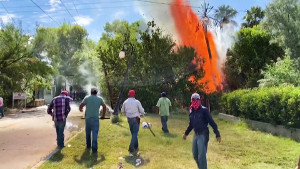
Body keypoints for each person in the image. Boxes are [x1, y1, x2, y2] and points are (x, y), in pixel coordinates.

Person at [183, 93, 221, 169]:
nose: (195, 101)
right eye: (193, 99)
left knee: (201, 156)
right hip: (196, 134)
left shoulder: (204, 110)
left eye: (196, 99)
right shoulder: (191, 110)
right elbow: (191, 124)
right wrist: (186, 133)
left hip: (203, 134)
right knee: (195, 155)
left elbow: (212, 122)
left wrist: (217, 134)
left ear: (199, 100)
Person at [79, 88, 106, 153]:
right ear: (97, 92)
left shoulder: (87, 98)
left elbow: (81, 105)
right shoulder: (100, 99)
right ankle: (94, 149)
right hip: (95, 119)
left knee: (88, 133)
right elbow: (104, 107)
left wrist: (81, 109)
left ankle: (88, 146)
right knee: (95, 134)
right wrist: (103, 115)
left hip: (88, 118)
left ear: (91, 92)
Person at [121, 90, 145, 156]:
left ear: (129, 95)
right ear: (134, 95)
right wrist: (143, 113)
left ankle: (136, 146)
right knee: (135, 133)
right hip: (136, 119)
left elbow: (122, 110)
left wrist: (126, 113)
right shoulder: (137, 102)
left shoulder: (125, 102)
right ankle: (131, 147)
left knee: (133, 133)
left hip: (129, 119)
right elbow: (142, 110)